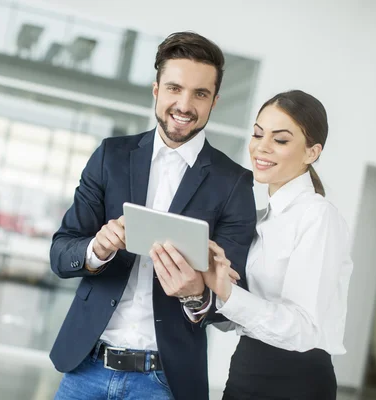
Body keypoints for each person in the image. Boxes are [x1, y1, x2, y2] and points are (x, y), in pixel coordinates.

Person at [49, 31, 257, 400]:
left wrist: (197, 295)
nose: (185, 104)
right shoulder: (111, 156)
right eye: (175, 88)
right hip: (85, 369)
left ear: (214, 101)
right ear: (156, 89)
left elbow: (235, 300)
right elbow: (62, 253)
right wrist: (97, 249)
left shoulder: (234, 183)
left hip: (164, 381)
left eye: (200, 94)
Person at [150, 90, 354, 400]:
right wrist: (200, 288)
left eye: (280, 140)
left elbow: (304, 328)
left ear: (312, 152)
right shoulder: (259, 218)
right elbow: (241, 319)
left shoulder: (318, 216)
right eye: (258, 134)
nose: (261, 147)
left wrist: (228, 293)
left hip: (295, 381)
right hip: (247, 368)